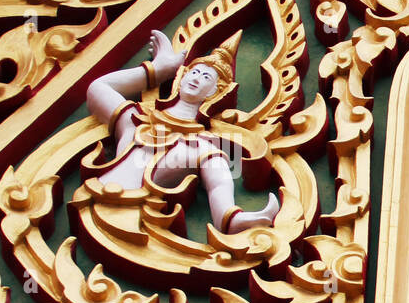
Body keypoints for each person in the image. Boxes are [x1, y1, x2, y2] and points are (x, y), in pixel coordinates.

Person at [86, 29, 279, 235]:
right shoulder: (137, 119)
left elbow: (217, 184)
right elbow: (98, 88)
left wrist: (230, 216)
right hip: (92, 193)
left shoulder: (200, 147)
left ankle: (232, 217)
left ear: (215, 90)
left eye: (206, 77)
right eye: (194, 72)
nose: (197, 78)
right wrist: (158, 69)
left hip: (131, 214)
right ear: (183, 75)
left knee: (216, 160)